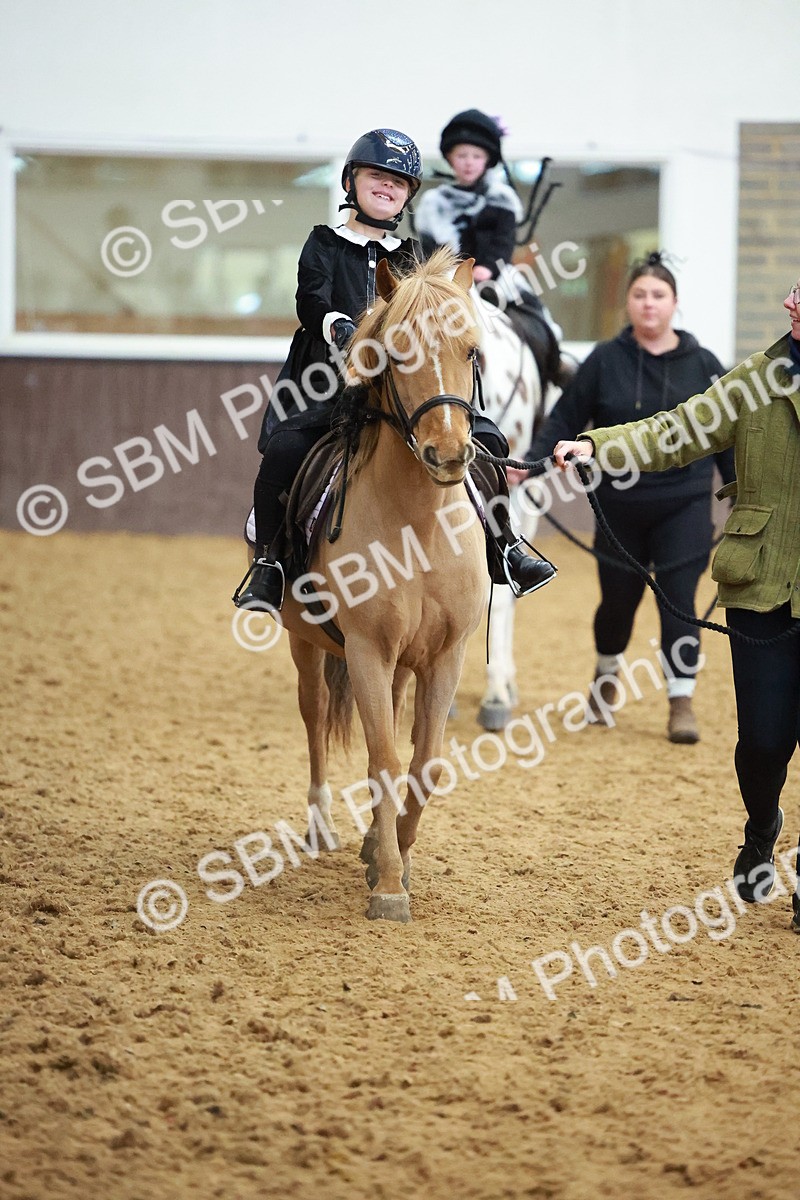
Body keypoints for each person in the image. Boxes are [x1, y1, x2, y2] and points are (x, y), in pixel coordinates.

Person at [552, 279, 800, 915]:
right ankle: (761, 828)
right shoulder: (755, 380)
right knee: (767, 740)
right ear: (791, 304)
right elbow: (676, 431)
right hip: (766, 582)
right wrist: (599, 445)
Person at [233, 127, 556, 612]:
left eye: (398, 182)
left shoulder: (410, 256)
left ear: (408, 195)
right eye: (376, 176)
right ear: (351, 181)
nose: (386, 187)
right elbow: (310, 298)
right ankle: (270, 565)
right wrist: (339, 325)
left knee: (488, 441)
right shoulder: (323, 242)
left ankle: (504, 545)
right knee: (284, 451)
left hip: (399, 385)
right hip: (328, 380)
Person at [530, 252, 735, 745]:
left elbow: (728, 436)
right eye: (639, 295)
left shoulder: (705, 365)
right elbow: (564, 419)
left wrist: (741, 495)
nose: (648, 304)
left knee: (679, 604)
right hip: (618, 506)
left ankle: (680, 700)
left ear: (674, 304)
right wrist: (531, 465)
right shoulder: (604, 360)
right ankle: (605, 678)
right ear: (628, 303)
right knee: (617, 604)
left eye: (658, 295)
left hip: (683, 505)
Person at [413, 108, 563, 390]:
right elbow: (430, 250)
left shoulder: (502, 199)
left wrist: (488, 267)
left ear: (487, 160)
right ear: (450, 159)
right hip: (448, 282)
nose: (469, 163)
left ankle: (551, 367)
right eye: (462, 156)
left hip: (494, 276)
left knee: (535, 315)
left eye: (476, 156)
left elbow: (503, 242)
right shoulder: (434, 204)